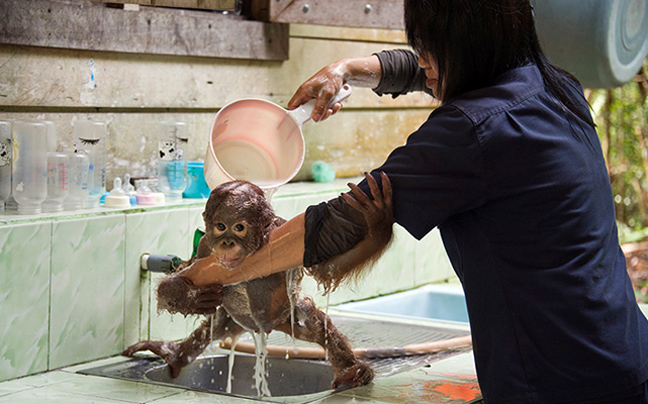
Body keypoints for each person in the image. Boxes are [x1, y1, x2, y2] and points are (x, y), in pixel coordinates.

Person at [172, 0, 648, 402]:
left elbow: (335, 224)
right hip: (623, 356)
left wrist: (197, 276)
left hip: (561, 385)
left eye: (428, 51)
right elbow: (433, 73)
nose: (422, 64)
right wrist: (346, 71)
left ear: (463, 51)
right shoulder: (556, 86)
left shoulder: (471, 133)